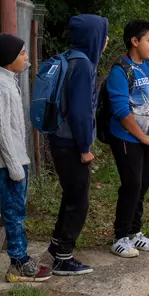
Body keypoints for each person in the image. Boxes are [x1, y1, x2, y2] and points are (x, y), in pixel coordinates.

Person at [47, 14, 109, 275]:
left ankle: (56, 244)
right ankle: (63, 257)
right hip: (71, 143)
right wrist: (85, 147)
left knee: (72, 194)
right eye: (104, 35)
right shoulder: (83, 66)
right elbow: (81, 112)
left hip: (59, 138)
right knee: (79, 200)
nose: (106, 41)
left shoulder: (70, 56)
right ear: (94, 37)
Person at [0, 33, 52, 282]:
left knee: (18, 210)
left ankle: (21, 257)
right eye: (22, 53)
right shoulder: (1, 87)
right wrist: (15, 166)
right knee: (14, 213)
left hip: (16, 160)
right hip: (9, 164)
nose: (26, 57)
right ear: (9, 59)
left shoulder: (8, 80)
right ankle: (18, 263)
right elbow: (1, 130)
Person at [106, 20, 149, 258]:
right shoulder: (120, 71)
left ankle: (135, 232)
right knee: (131, 185)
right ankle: (120, 236)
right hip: (127, 139)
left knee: (142, 186)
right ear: (135, 41)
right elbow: (121, 111)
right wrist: (143, 137)